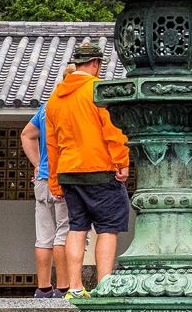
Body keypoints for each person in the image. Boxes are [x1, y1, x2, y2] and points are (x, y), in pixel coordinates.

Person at [46, 41, 131, 296]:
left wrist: (54, 181)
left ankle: (74, 286)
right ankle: (104, 284)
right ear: (95, 64)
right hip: (99, 168)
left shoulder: (54, 99)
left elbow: (51, 145)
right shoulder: (98, 90)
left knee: (77, 227)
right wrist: (122, 161)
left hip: (68, 171)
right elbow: (113, 131)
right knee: (107, 227)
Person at [22, 102, 70, 297]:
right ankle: (64, 287)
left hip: (42, 178)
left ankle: (43, 288)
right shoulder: (73, 103)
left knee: (43, 236)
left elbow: (27, 134)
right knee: (64, 232)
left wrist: (37, 163)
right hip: (65, 177)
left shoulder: (46, 107)